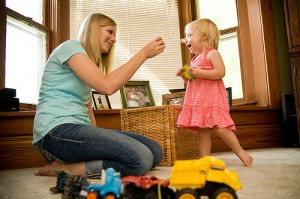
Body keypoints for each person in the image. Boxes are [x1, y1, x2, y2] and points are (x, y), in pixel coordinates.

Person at [33, 13, 165, 178]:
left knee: (155, 151)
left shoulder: (88, 64)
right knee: (141, 160)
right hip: (55, 133)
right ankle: (62, 169)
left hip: (79, 131)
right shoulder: (71, 47)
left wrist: (98, 144)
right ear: (93, 29)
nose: (114, 39)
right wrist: (143, 54)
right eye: (110, 32)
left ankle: (74, 164)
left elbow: (88, 109)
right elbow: (107, 86)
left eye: (115, 34)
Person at [176, 18, 253, 167]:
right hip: (199, 101)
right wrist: (185, 76)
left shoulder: (212, 54)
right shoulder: (195, 59)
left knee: (220, 128)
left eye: (189, 35)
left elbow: (220, 72)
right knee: (202, 132)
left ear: (204, 36)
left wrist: (199, 73)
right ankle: (205, 160)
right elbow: (194, 82)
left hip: (212, 100)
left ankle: (240, 152)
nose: (186, 41)